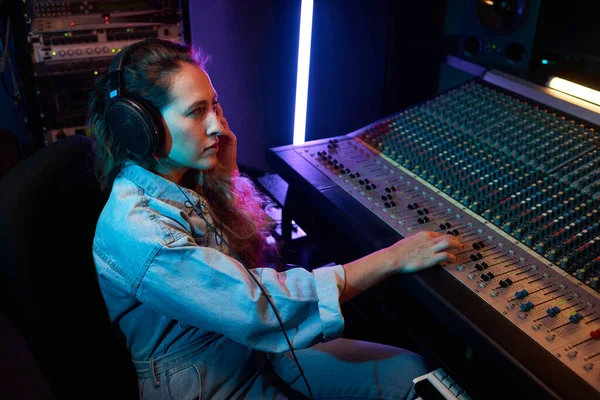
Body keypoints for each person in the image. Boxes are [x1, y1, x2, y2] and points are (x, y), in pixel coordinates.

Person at [88, 38, 463, 400]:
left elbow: (256, 262)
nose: (217, 126)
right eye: (196, 112)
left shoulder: (186, 179)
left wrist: (227, 178)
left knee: (414, 374)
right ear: (140, 128)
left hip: (253, 352)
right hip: (207, 383)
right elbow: (259, 307)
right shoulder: (140, 230)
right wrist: (393, 258)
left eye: (214, 106)